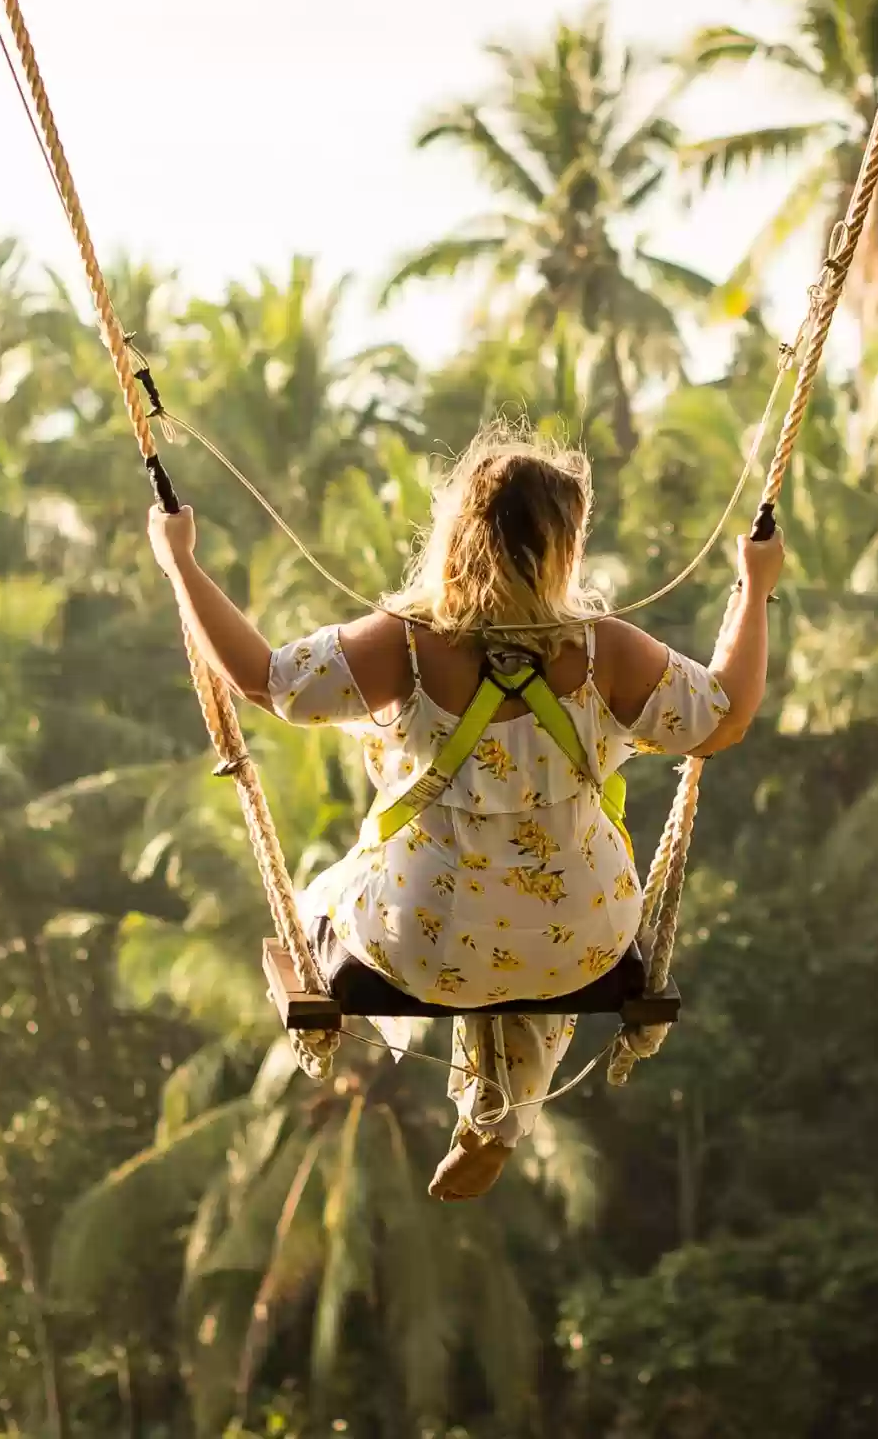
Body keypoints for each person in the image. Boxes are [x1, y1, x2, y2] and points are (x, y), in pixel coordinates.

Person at [149, 425, 783, 1200]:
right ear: (562, 550)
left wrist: (180, 563)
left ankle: (488, 1104)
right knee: (533, 929)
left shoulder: (408, 645)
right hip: (584, 943)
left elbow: (263, 680)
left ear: (458, 536)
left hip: (424, 939)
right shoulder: (606, 651)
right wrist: (755, 587)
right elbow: (728, 717)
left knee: (335, 897)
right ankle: (499, 1113)